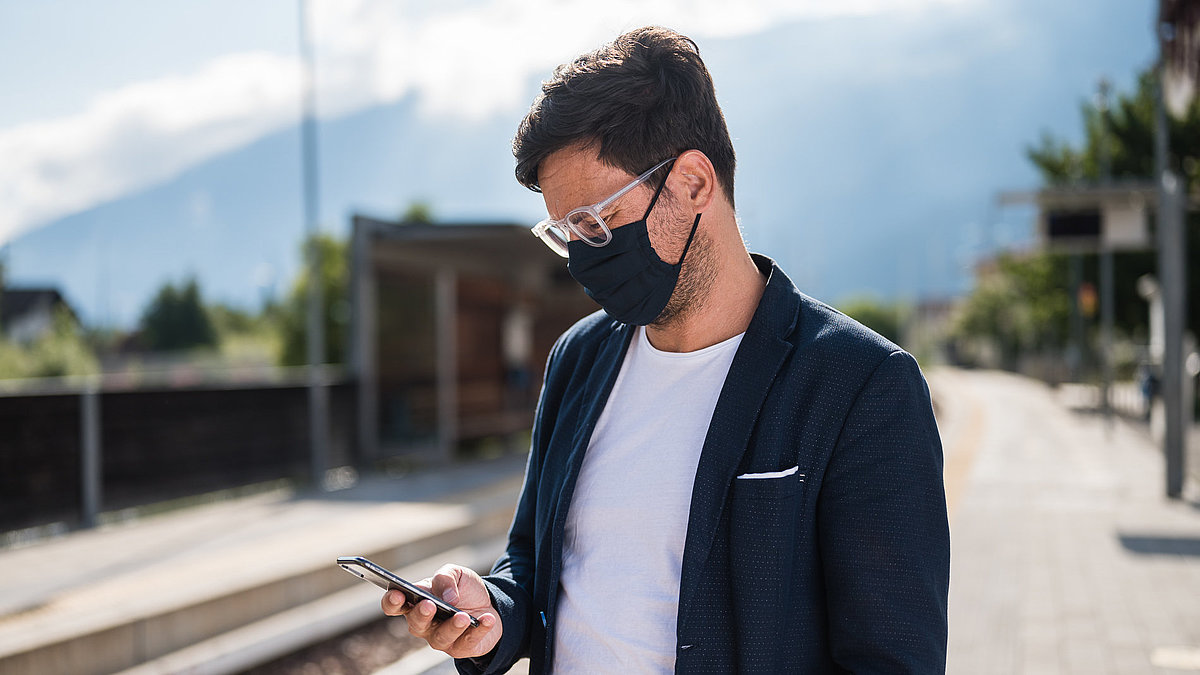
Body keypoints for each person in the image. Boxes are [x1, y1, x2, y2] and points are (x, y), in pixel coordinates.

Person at [382, 25, 950, 673]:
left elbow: (892, 658)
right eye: (565, 232)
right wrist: (493, 614)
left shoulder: (861, 386)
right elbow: (534, 563)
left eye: (598, 221)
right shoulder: (578, 360)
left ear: (694, 183)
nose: (582, 257)